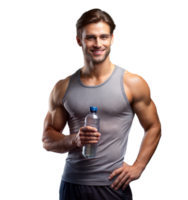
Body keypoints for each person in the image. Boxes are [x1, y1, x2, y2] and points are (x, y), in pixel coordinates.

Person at [40, 8, 163, 200]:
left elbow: (154, 126)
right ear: (78, 40)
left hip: (114, 185)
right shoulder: (61, 87)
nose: (98, 44)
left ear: (112, 39)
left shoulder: (133, 83)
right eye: (90, 38)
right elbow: (47, 139)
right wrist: (74, 139)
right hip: (71, 185)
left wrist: (139, 166)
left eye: (104, 37)